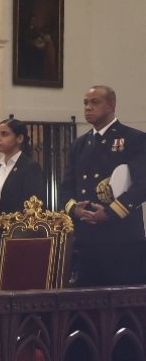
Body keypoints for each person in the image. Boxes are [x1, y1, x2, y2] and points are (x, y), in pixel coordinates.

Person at [59, 85, 146, 287]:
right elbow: (66, 188)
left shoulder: (135, 139)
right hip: (86, 239)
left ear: (111, 105)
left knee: (124, 307)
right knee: (85, 306)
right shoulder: (79, 144)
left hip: (121, 239)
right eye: (85, 103)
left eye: (94, 102)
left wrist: (110, 212)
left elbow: (142, 186)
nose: (88, 107)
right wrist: (75, 210)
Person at [0, 118, 47, 253]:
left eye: (4, 134)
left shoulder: (30, 167)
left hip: (15, 239)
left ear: (19, 138)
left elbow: (27, 209)